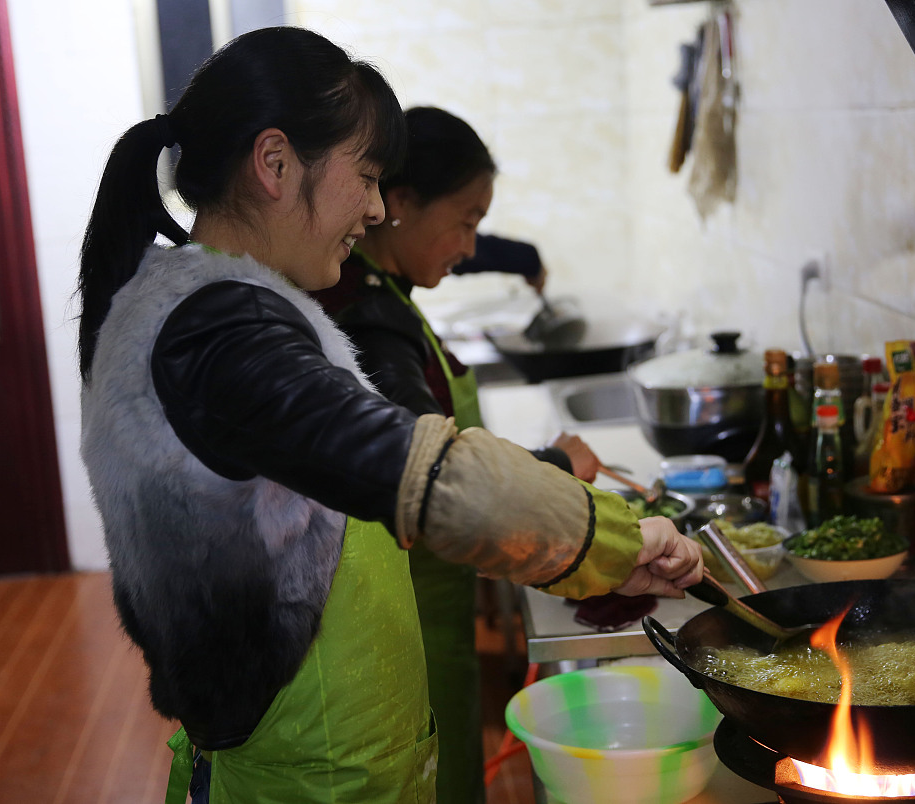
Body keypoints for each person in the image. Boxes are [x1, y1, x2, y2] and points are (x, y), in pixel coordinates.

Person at [75, 26, 702, 804]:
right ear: (274, 164)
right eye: (366, 176)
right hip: (308, 778)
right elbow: (417, 470)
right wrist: (613, 539)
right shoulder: (216, 335)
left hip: (332, 760)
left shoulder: (216, 309)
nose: (374, 209)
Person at [311, 106, 601, 803]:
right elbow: (440, 478)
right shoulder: (373, 325)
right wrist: (555, 470)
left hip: (428, 609)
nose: (471, 247)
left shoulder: (384, 289)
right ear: (399, 204)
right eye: (466, 221)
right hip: (403, 628)